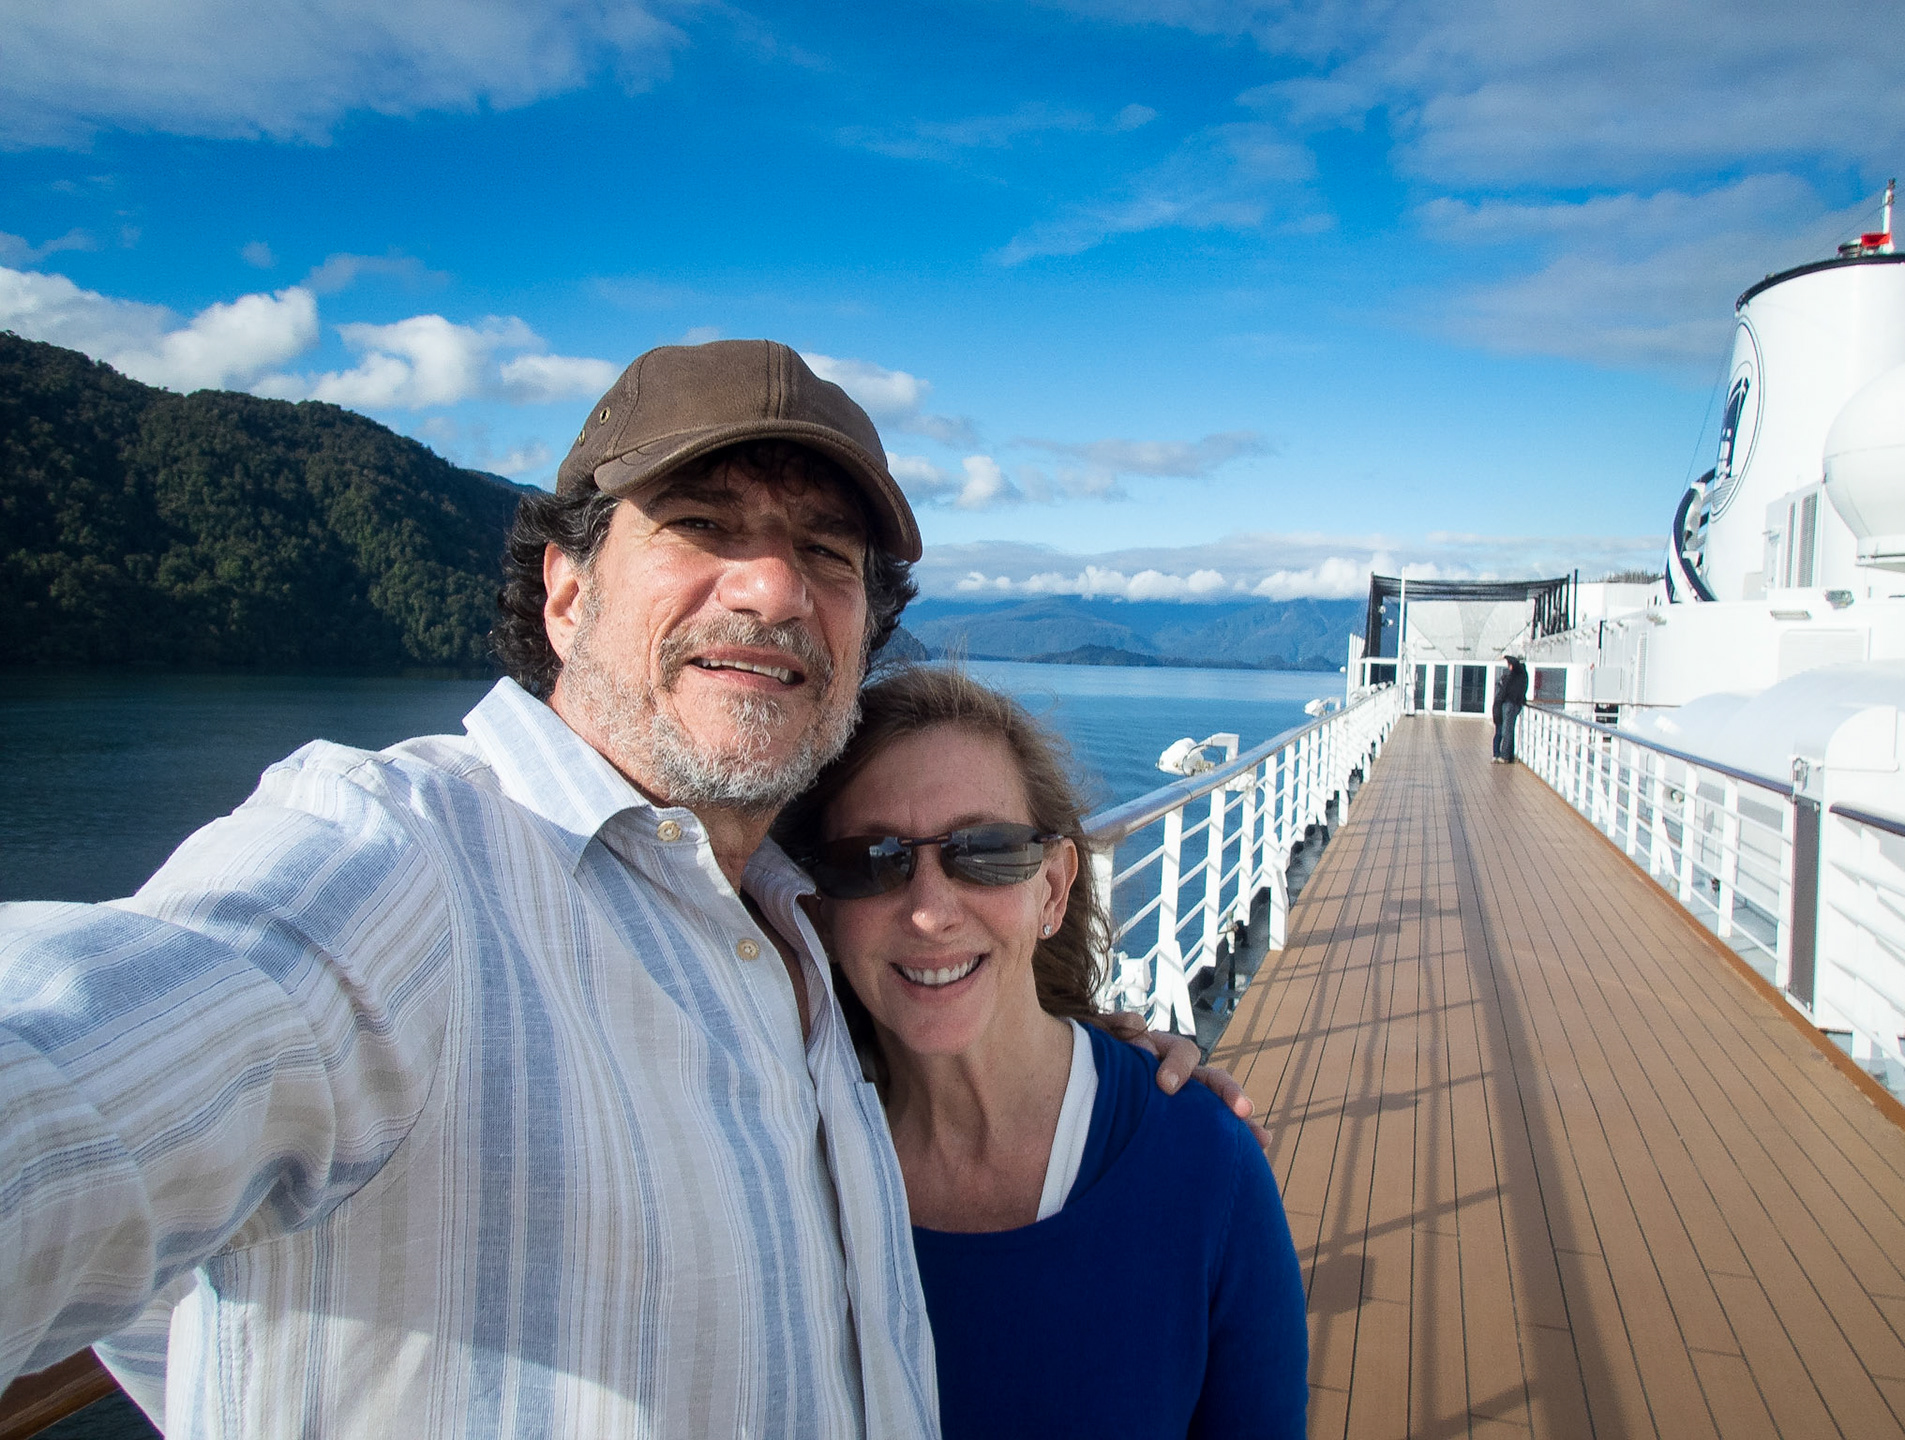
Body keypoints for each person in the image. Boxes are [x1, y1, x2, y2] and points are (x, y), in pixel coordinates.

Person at [0, 340, 1247, 1438]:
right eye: (702, 524)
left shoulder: (797, 928)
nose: (771, 587)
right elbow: (79, 1082)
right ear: (565, 588)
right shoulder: (399, 872)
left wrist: (1097, 1058)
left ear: (865, 633)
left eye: (826, 553)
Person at [781, 668, 1309, 1440]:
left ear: (1054, 890)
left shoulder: (1202, 1166)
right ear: (823, 913)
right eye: (873, 859)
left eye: (985, 851)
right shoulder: (796, 1161)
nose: (929, 913)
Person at [1493, 654, 1528, 762]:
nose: (1509, 667)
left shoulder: (1519, 672)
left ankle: (1505, 756)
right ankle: (1509, 755)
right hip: (1513, 703)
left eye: (1509, 665)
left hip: (1511, 703)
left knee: (1506, 731)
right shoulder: (1520, 676)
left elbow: (1515, 663)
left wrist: (1505, 656)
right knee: (1508, 730)